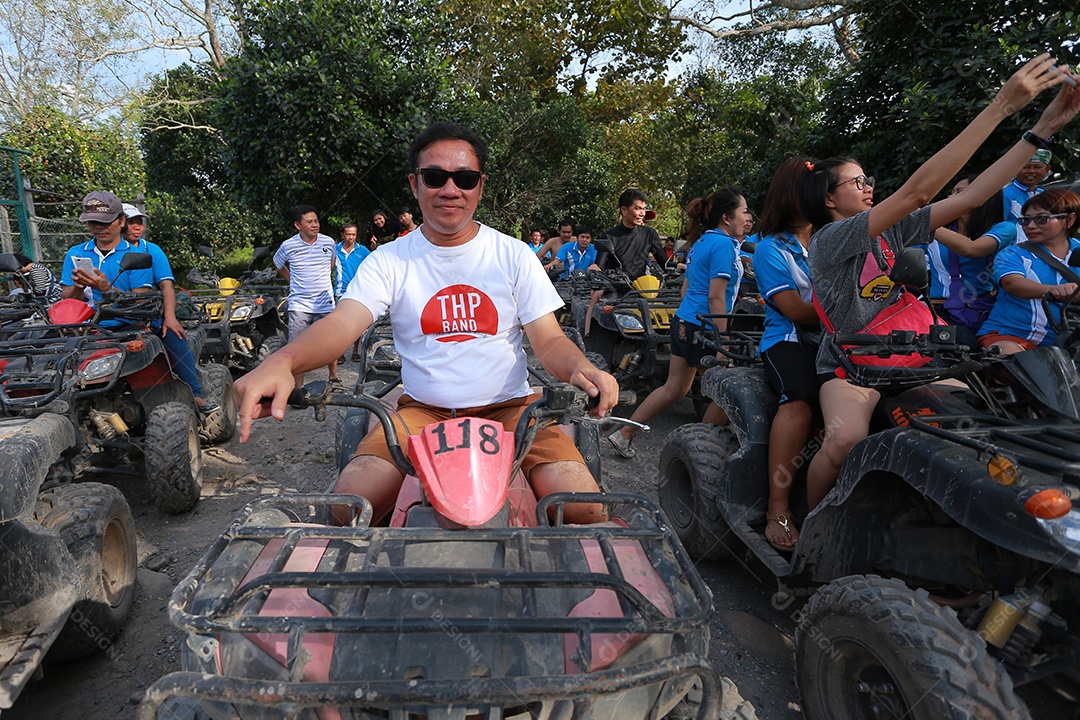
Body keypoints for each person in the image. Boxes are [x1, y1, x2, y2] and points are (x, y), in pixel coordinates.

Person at [234, 121, 618, 526]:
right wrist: (284, 360)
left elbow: (550, 339)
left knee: (584, 511)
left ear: (480, 186)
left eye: (465, 178)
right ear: (415, 184)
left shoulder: (514, 254)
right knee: (347, 508)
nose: (450, 189)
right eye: (435, 177)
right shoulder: (389, 259)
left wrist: (584, 369)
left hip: (511, 410)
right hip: (422, 412)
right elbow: (344, 322)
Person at [801, 55, 1079, 512]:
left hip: (917, 356)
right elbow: (918, 192)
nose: (869, 186)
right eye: (856, 182)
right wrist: (1001, 106)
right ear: (828, 198)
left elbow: (971, 195)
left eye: (868, 179)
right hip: (852, 365)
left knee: (981, 431)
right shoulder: (832, 239)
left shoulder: (894, 230)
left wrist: (1043, 127)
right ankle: (811, 525)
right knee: (842, 440)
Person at [607, 188, 746, 459]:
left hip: (683, 320)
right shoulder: (724, 246)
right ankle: (700, 450)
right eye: (744, 211)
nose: (748, 217)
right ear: (727, 218)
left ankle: (624, 433)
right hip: (704, 326)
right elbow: (716, 297)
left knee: (674, 388)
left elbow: (686, 289)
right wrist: (724, 341)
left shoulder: (702, 242)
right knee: (726, 392)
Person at [750, 158, 821, 550]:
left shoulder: (836, 237)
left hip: (847, 340)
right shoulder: (770, 249)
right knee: (801, 398)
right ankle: (777, 507)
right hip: (789, 339)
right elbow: (794, 310)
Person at [120, 204, 218, 413]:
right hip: (114, 315)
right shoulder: (109, 252)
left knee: (175, 338)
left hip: (150, 311)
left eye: (139, 222)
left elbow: (167, 286)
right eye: (131, 222)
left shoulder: (151, 250)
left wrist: (170, 317)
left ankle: (196, 393)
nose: (137, 227)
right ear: (120, 224)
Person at [977, 188, 1080, 353]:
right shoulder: (1011, 253)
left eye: (1041, 218)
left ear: (1069, 220)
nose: (1030, 226)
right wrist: (1053, 290)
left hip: (1070, 343)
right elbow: (1013, 283)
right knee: (1012, 362)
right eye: (1025, 220)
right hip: (1010, 336)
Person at [924, 177, 1016, 337]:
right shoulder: (933, 231)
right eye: (951, 192)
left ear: (983, 197)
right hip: (938, 312)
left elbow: (973, 249)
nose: (950, 198)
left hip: (985, 311)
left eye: (959, 192)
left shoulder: (1004, 228)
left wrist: (924, 221)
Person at [273, 205, 342, 391]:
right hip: (299, 305)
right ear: (298, 225)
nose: (315, 225)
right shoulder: (288, 246)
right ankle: (298, 388)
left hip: (325, 302)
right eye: (309, 222)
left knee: (331, 343)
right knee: (297, 348)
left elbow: (332, 263)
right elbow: (278, 264)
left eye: (316, 221)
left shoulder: (328, 242)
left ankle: (333, 377)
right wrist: (292, 279)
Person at [584, 190, 666, 336]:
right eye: (638, 208)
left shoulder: (649, 234)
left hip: (645, 290)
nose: (642, 213)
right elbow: (599, 265)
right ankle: (587, 338)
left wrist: (682, 266)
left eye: (643, 209)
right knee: (594, 300)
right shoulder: (609, 236)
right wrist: (593, 269)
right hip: (616, 288)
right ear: (624, 210)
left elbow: (665, 263)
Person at [335, 222, 371, 362]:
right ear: (342, 235)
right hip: (340, 291)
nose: (351, 237)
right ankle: (340, 351)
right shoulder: (334, 249)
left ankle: (355, 351)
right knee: (339, 323)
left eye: (353, 234)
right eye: (348, 234)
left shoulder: (362, 250)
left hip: (358, 290)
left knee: (357, 324)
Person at [1004, 148, 1052, 242]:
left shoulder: (1044, 195)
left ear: (1047, 169)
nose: (1031, 171)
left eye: (1037, 167)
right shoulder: (1006, 194)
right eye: (1025, 167)